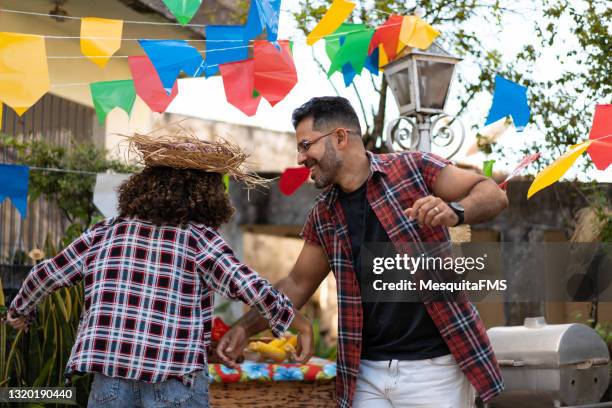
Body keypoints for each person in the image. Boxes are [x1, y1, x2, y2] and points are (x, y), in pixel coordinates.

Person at [217, 97, 509, 408]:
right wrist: (243, 329)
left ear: (340, 138)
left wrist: (455, 211)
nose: (301, 158)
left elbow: (492, 193)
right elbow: (297, 284)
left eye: (306, 145)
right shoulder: (323, 214)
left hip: (435, 371)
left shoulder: (413, 168)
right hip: (366, 373)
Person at [6, 132, 313, 408]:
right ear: (207, 195)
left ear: (144, 185)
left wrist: (21, 310)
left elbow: (44, 274)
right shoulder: (198, 239)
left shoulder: (103, 233)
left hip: (109, 385)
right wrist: (298, 323)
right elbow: (247, 285)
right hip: (175, 386)